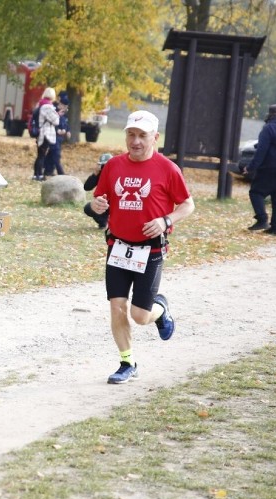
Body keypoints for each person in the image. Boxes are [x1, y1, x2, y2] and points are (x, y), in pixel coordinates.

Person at [90, 110, 195, 385]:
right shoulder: (113, 166)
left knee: (140, 316)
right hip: (118, 247)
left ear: (155, 138)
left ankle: (160, 309)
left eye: (142, 136)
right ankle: (127, 362)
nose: (135, 141)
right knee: (116, 307)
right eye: (131, 135)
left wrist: (166, 220)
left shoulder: (167, 169)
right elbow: (98, 199)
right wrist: (96, 205)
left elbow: (188, 204)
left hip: (151, 251)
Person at [241, 104, 276, 236]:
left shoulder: (269, 128)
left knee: (256, 192)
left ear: (269, 114)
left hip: (272, 168)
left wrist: (250, 168)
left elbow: (261, 152)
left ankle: (262, 220)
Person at [32, 88, 59, 181]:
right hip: (46, 134)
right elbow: (56, 121)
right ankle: (38, 175)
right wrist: (57, 114)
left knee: (40, 154)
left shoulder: (40, 104)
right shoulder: (48, 107)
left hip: (41, 133)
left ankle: (36, 174)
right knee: (42, 155)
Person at [83, 152, 112, 228]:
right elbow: (87, 187)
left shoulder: (118, 173)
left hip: (116, 204)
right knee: (88, 208)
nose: (105, 167)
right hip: (102, 203)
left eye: (107, 164)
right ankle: (103, 222)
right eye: (103, 165)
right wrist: (95, 173)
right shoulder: (100, 174)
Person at [44, 98, 69, 176]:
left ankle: (48, 170)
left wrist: (67, 130)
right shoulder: (54, 111)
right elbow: (51, 121)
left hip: (59, 138)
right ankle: (60, 172)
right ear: (61, 105)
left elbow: (65, 124)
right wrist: (57, 130)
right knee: (56, 154)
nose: (66, 109)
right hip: (54, 136)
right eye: (65, 106)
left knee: (51, 155)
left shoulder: (64, 114)